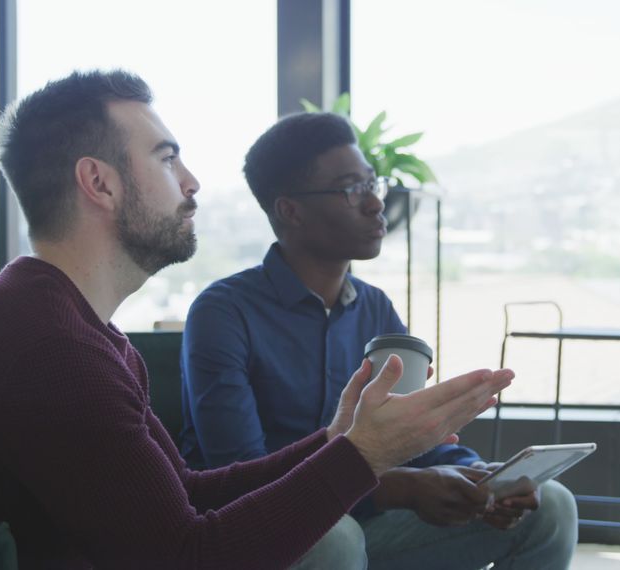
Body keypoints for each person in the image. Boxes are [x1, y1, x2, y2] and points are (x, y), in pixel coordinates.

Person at [0, 70, 514, 570]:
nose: (193, 182)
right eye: (166, 158)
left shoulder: (69, 326)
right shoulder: (48, 347)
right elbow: (188, 559)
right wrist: (364, 458)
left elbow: (185, 491)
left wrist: (336, 442)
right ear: (99, 182)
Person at [181, 112, 578, 569]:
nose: (374, 203)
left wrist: (477, 473)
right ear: (291, 211)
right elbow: (241, 474)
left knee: (552, 506)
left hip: (367, 521)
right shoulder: (224, 312)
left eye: (372, 183)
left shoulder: (374, 308)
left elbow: (412, 435)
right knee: (335, 538)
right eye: (352, 189)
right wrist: (399, 488)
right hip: (265, 535)